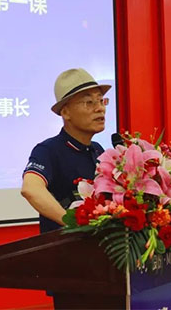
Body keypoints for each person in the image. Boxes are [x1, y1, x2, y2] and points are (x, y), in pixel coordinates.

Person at [21, 68, 111, 233]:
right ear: (65, 112)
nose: (100, 108)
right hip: (65, 246)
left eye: (101, 100)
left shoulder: (98, 151)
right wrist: (73, 224)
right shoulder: (49, 150)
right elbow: (31, 189)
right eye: (89, 102)